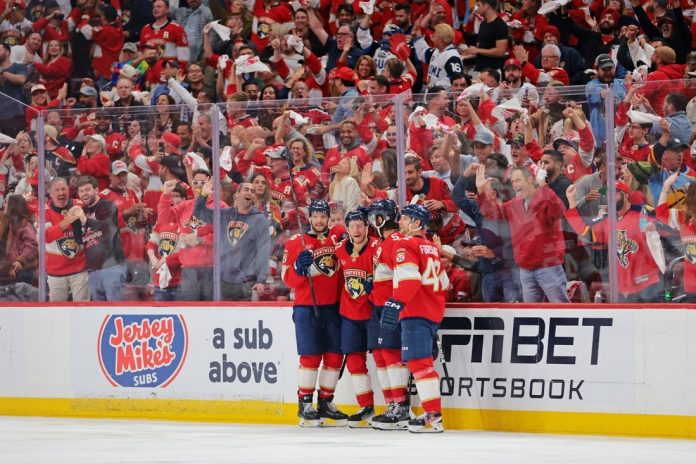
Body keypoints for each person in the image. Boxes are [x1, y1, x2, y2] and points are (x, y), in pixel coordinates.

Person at [380, 203, 448, 433]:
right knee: (422, 363)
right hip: (432, 312)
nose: (400, 222)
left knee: (420, 364)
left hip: (416, 312)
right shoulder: (431, 248)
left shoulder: (405, 244)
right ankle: (432, 415)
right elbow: (444, 283)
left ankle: (433, 417)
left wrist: (395, 303)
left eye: (405, 218)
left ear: (417, 223)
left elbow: (409, 281)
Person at [281, 199, 348, 427]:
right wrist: (298, 268)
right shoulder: (295, 242)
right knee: (310, 357)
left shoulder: (337, 237)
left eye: (323, 216)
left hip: (334, 307)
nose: (319, 220)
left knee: (334, 356)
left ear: (329, 217)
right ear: (309, 217)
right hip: (307, 308)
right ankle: (305, 403)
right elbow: (288, 280)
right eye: (315, 216)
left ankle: (326, 402)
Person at [476, 165, 569, 303]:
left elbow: (559, 211)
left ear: (530, 180)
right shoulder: (514, 204)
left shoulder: (544, 198)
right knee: (529, 314)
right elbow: (490, 213)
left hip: (549, 268)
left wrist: (543, 186)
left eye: (518, 180)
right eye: (513, 181)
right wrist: (481, 191)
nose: (514, 185)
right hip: (525, 270)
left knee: (560, 310)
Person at [566, 182, 664, 302]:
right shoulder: (606, 221)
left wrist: (655, 225)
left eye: (614, 193)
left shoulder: (641, 212)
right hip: (624, 290)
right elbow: (585, 232)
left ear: (626, 196)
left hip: (649, 284)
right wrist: (571, 200)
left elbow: (664, 221)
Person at [367, 199, 411, 430]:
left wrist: (395, 304)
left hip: (389, 307)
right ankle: (392, 404)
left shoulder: (394, 242)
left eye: (375, 215)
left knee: (391, 355)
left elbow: (403, 275)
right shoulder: (384, 242)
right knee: (381, 355)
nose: (372, 219)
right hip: (378, 305)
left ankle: (400, 407)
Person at [334, 209, 379, 427]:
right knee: (354, 360)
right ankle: (366, 406)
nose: (356, 229)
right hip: (350, 315)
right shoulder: (339, 249)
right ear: (347, 228)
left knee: (386, 359)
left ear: (367, 227)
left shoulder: (378, 248)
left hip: (373, 313)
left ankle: (396, 405)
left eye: (360, 225)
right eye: (352, 226)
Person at [194, 180, 271, 301]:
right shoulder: (224, 215)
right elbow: (199, 213)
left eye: (252, 191)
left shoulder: (260, 220)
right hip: (222, 280)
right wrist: (203, 195)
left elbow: (263, 251)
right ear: (237, 195)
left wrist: (261, 280)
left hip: (246, 282)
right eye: (246, 190)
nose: (250, 193)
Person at [74, 175, 126, 301]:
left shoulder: (108, 206)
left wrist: (85, 220)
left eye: (87, 190)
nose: (84, 194)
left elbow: (106, 228)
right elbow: (79, 239)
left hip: (112, 267)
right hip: (93, 271)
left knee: (115, 309)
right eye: (81, 191)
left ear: (96, 190)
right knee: (98, 311)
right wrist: (74, 221)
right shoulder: (82, 211)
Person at [656, 172, 696, 302]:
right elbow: (661, 213)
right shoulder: (684, 218)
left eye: (687, 194)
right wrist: (666, 186)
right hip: (692, 286)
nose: (684, 196)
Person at [0, 195, 37, 285]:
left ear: (13, 206)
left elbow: (31, 246)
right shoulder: (7, 223)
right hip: (8, 268)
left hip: (23, 271)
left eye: (7, 203)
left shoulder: (25, 225)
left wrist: (20, 261)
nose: (4, 205)